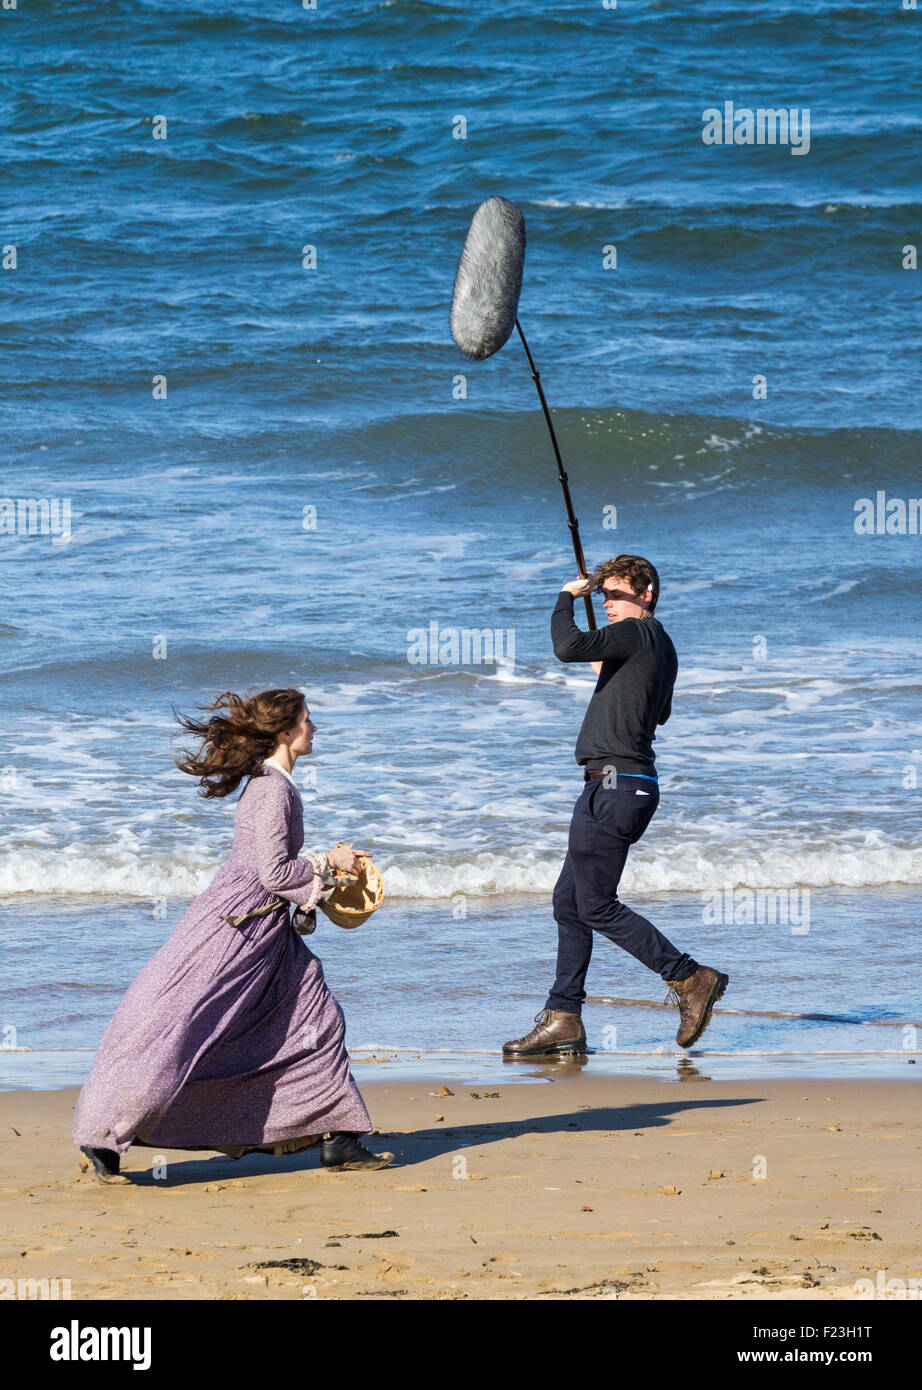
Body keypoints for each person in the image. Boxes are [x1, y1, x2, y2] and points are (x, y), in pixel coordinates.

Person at [72, 687, 393, 1183]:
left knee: (316, 1017)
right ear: (285, 732)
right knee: (179, 1024)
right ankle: (105, 1135)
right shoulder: (272, 789)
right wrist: (330, 862)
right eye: (308, 720)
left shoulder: (275, 784)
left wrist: (323, 877)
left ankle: (339, 1136)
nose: (314, 728)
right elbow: (272, 873)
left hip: (265, 929)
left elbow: (276, 871)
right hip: (238, 927)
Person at [503, 555, 728, 1058]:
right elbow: (659, 710)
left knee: (596, 904)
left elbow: (567, 646)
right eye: (600, 594)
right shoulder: (659, 646)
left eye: (615, 593)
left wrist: (567, 595)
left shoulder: (638, 632)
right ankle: (564, 1019)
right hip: (620, 783)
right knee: (570, 903)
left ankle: (690, 977)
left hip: (616, 783)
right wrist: (612, 669)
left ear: (646, 594)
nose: (605, 602)